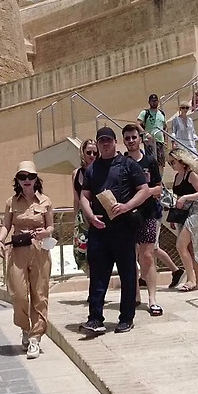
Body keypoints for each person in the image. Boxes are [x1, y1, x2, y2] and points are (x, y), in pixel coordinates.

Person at [79, 126, 151, 335]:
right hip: (99, 229)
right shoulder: (92, 169)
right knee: (98, 276)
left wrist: (127, 206)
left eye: (108, 140)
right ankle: (95, 318)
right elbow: (84, 196)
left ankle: (126, 318)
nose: (105, 144)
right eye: (101, 141)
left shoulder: (128, 165)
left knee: (127, 275)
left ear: (114, 142)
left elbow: (144, 190)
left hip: (123, 228)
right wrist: (90, 216)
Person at [0, 161, 54, 360]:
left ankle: (35, 338)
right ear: (17, 180)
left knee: (40, 294)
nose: (27, 180)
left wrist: (45, 232)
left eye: (30, 176)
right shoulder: (11, 202)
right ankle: (25, 329)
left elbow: (51, 227)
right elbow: (6, 224)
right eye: (22, 177)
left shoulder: (45, 201)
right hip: (18, 252)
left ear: (36, 179)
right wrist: (0, 240)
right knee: (19, 294)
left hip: (40, 251)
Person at [122, 124, 167, 316]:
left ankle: (153, 299)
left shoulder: (150, 161)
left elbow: (159, 188)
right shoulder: (121, 163)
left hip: (148, 214)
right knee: (130, 257)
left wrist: (144, 192)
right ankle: (135, 295)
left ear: (139, 138)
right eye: (127, 138)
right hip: (128, 216)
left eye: (134, 137)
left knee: (147, 255)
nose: (131, 141)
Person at [168, 148, 198, 292]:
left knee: (181, 245)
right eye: (169, 163)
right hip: (181, 213)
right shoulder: (177, 176)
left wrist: (186, 197)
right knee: (191, 248)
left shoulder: (191, 175)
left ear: (181, 161)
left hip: (193, 212)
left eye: (173, 162)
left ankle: (191, 279)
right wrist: (173, 216)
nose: (171, 165)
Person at [71, 139, 98, 276]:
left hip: (97, 215)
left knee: (97, 253)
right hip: (82, 219)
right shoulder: (76, 173)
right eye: (89, 152)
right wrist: (75, 220)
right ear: (83, 153)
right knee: (81, 251)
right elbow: (76, 198)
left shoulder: (100, 171)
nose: (92, 156)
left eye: (95, 153)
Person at [137, 93, 167, 169]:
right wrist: (146, 134)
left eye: (155, 101)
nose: (154, 102)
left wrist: (166, 140)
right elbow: (138, 124)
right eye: (152, 101)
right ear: (149, 102)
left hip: (160, 141)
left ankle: (160, 176)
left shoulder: (161, 113)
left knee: (161, 163)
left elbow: (165, 127)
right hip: (149, 142)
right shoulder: (145, 113)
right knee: (151, 162)